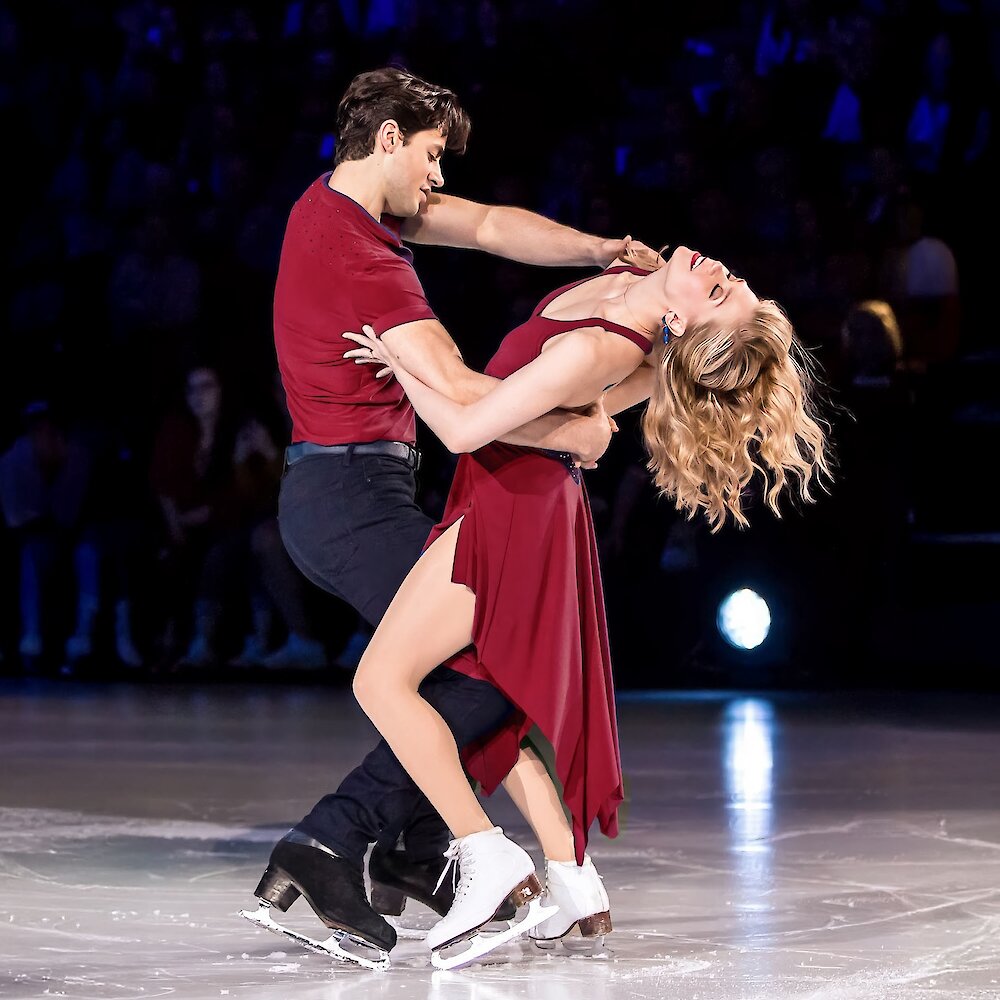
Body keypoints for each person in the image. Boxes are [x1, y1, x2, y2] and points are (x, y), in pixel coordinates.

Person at [245, 65, 648, 966]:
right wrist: (581, 428)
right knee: (478, 670)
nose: (437, 178)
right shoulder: (359, 256)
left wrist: (600, 249)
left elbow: (496, 226)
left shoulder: (345, 209)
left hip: (359, 486)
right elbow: (468, 398)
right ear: (388, 139)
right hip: (343, 496)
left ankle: (416, 851)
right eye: (430, 156)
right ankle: (328, 843)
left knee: (466, 668)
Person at [342, 241, 831, 963]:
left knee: (382, 682)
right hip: (514, 496)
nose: (723, 273)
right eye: (733, 278)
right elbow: (580, 423)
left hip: (513, 513)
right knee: (490, 692)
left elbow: (463, 429)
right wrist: (580, 428)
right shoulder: (633, 279)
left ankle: (483, 852)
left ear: (680, 321)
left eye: (722, 293)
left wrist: (401, 362)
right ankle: (572, 877)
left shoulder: (607, 348)